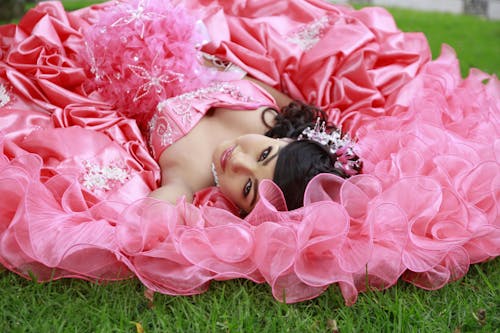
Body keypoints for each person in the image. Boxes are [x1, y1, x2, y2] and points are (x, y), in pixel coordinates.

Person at [0, 0, 498, 306]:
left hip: (124, 68)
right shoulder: (269, 116)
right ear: (284, 138)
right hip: (185, 41)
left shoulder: (187, 175)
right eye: (262, 157)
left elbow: (152, 219)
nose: (234, 161)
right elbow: (274, 92)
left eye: (246, 187)